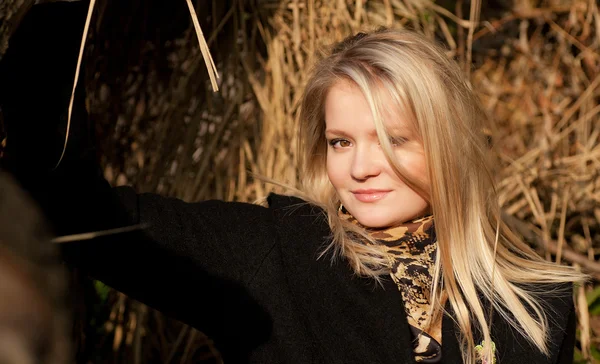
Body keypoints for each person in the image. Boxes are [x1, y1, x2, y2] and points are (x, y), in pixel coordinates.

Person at [0, 10, 586, 363]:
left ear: (449, 144)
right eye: (340, 142)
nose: (360, 168)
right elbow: (78, 212)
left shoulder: (536, 307)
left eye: (393, 139)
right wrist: (61, 14)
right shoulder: (274, 253)